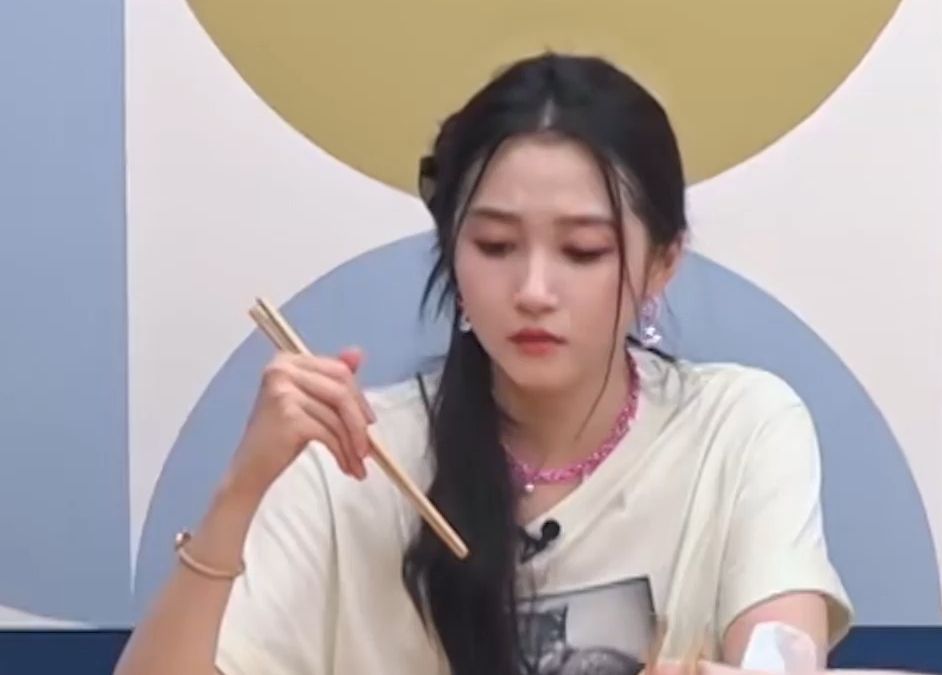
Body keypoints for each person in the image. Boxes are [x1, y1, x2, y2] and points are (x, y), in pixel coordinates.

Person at [116, 51, 856, 675]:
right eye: (496, 245)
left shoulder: (741, 427)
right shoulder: (350, 461)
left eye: (583, 251)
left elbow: (783, 654)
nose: (533, 290)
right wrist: (241, 490)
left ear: (662, 263)